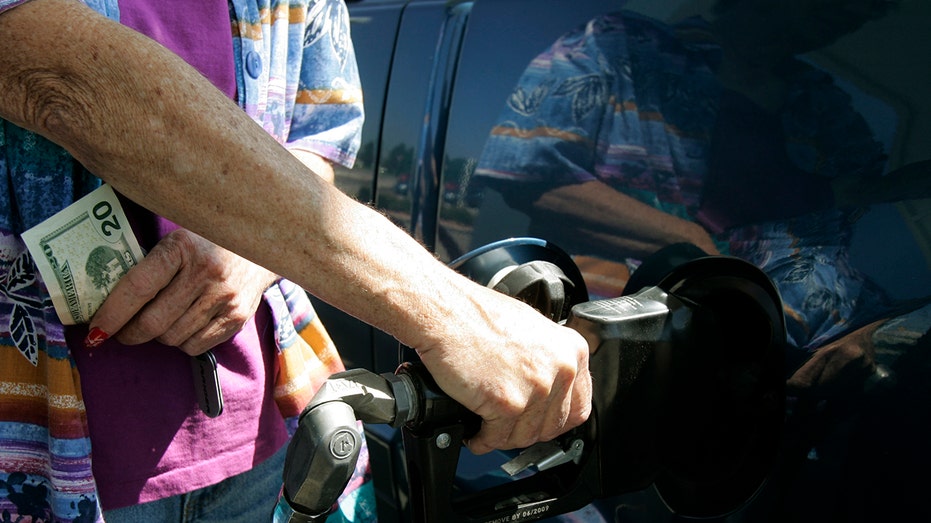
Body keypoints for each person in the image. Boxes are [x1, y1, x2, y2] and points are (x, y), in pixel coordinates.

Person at [0, 1, 593, 522]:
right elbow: (56, 74)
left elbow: (319, 136)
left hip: (272, 440)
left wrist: (246, 251)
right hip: (45, 464)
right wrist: (460, 317)